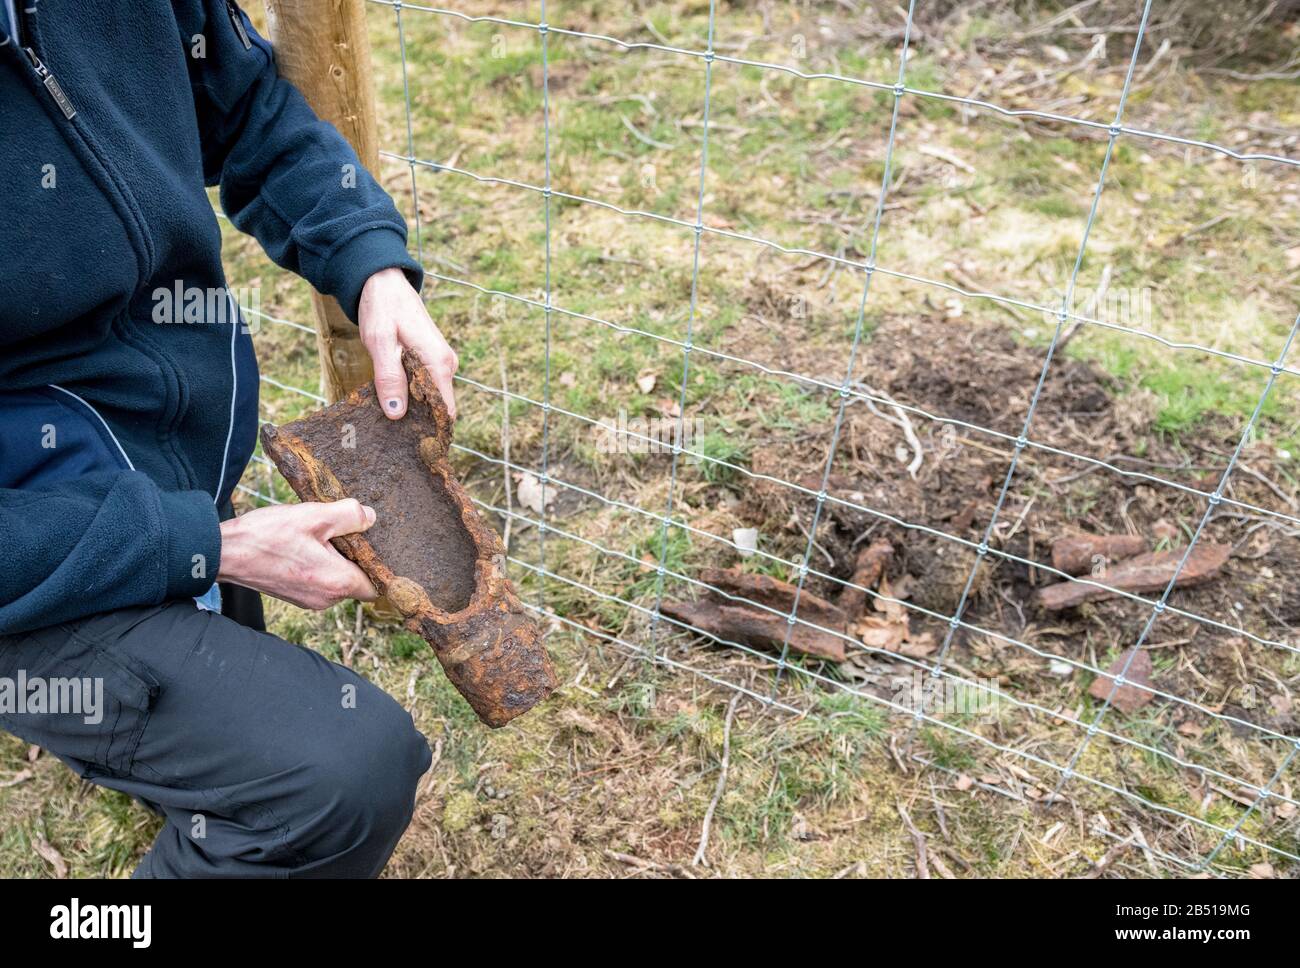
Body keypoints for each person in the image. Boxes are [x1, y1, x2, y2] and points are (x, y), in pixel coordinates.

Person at [0, 1, 458, 876]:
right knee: (339, 776)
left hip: (163, 471)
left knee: (235, 709)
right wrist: (205, 546)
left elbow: (247, 108)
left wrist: (368, 261)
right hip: (33, 539)